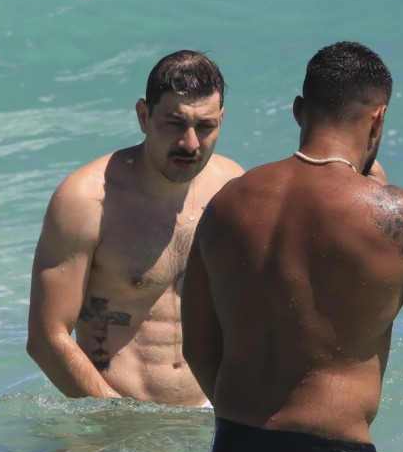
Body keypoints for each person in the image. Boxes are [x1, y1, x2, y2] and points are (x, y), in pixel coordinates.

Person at [182, 41, 403, 452]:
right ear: (378, 119)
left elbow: (196, 343)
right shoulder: (395, 213)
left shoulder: (226, 203)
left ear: (300, 110)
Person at [28, 50, 244, 407]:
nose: (190, 143)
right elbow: (46, 338)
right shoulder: (86, 199)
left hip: (210, 412)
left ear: (222, 119)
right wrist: (116, 421)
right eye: (174, 123)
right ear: (143, 116)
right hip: (116, 416)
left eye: (205, 126)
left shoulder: (234, 189)